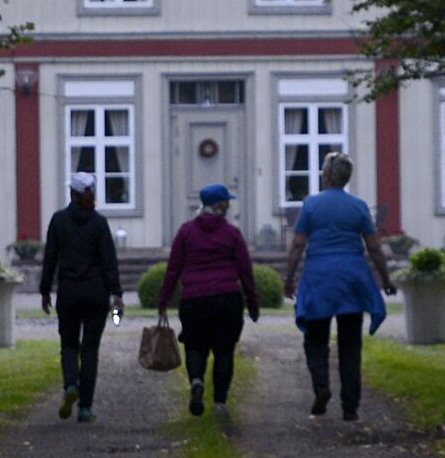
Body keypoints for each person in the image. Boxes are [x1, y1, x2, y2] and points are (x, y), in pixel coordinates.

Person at [281, 151, 393, 420]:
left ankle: (321, 385)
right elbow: (374, 247)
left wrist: (289, 279)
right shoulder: (358, 206)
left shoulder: (311, 205)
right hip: (351, 278)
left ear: (327, 175)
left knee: (316, 337)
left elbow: (297, 245)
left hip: (319, 277)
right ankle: (350, 407)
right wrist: (386, 280)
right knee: (350, 342)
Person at [162, 182, 262, 415]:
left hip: (194, 300)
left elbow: (173, 268)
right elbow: (245, 271)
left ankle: (196, 380)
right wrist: (253, 303)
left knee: (195, 348)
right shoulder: (232, 234)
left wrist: (163, 300)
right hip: (227, 299)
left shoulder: (186, 232)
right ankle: (219, 403)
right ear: (223, 205)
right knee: (224, 351)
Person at [37, 172, 122, 421]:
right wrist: (116, 293)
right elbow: (109, 261)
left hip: (69, 291)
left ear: (71, 194)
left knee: (69, 344)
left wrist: (45, 291)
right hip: (96, 292)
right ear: (91, 195)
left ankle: (70, 385)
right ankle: (85, 408)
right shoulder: (99, 223)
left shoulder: (59, 221)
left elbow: (50, 258)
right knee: (91, 349)